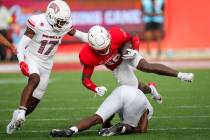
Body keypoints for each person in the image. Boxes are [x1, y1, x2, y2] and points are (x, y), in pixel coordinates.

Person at [6, 0, 89, 134]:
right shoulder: (37, 22)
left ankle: (18, 116)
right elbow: (21, 45)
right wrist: (21, 61)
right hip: (31, 57)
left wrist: (97, 38)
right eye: (60, 21)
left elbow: (81, 35)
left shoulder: (64, 25)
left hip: (47, 64)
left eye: (64, 21)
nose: (63, 24)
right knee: (35, 79)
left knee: (35, 102)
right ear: (50, 16)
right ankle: (21, 110)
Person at [79, 25, 194, 101]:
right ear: (92, 46)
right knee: (136, 88)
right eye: (101, 50)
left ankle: (181, 75)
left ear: (109, 37)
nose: (106, 50)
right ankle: (151, 89)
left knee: (145, 66)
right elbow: (85, 79)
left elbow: (133, 36)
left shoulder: (115, 34)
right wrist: (95, 88)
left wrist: (136, 50)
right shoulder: (87, 56)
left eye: (107, 46)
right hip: (116, 66)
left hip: (125, 52)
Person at [50, 85, 152, 137]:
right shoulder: (149, 108)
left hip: (121, 90)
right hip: (136, 98)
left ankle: (71, 130)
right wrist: (132, 128)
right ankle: (119, 128)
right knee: (130, 126)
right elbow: (142, 129)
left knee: (98, 117)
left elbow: (108, 117)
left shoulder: (142, 106)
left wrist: (106, 126)